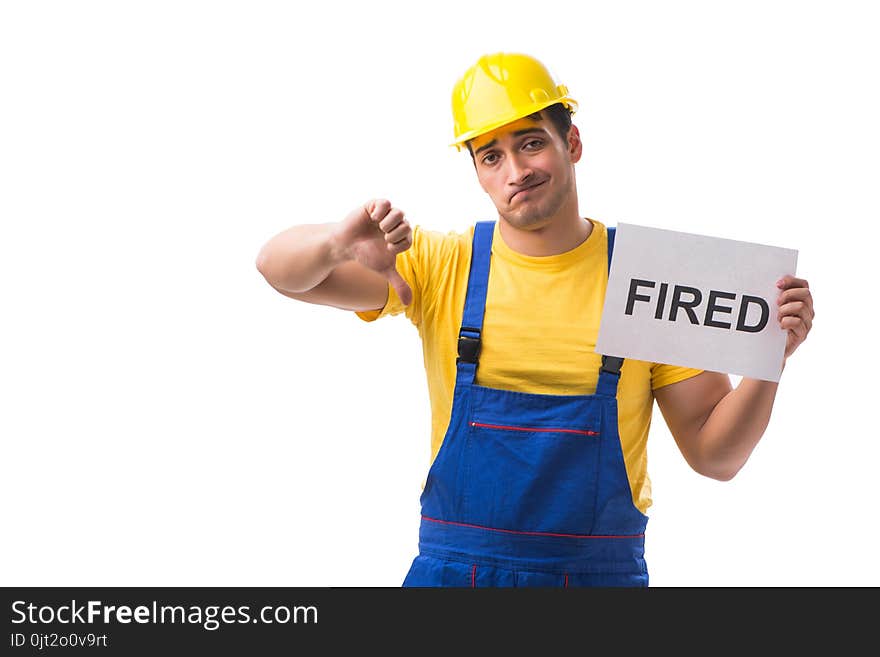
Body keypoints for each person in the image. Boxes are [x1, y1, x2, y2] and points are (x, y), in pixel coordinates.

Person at [255, 52, 815, 587]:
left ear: (571, 143)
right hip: (455, 578)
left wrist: (770, 358)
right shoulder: (440, 266)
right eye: (491, 156)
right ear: (476, 171)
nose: (516, 171)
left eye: (530, 143)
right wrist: (334, 243)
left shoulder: (647, 281)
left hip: (599, 582)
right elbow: (278, 269)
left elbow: (716, 456)